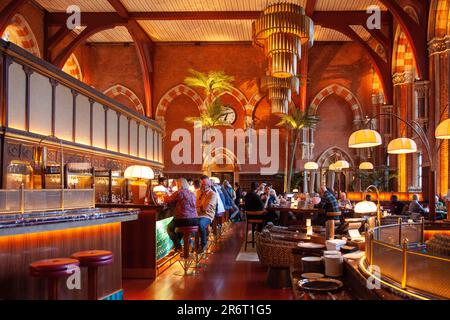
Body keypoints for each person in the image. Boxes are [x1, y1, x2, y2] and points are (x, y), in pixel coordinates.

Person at [164, 178, 198, 252]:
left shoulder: (178, 192)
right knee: (181, 230)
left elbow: (168, 200)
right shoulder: (192, 193)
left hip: (184, 219)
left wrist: (164, 195)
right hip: (195, 220)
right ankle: (185, 244)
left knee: (169, 228)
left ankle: (178, 246)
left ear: (179, 184)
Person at [196, 176, 218, 253]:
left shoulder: (213, 194)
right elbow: (194, 204)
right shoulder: (198, 192)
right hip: (196, 215)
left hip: (207, 216)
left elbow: (205, 209)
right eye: (201, 184)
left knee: (200, 223)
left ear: (209, 185)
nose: (202, 186)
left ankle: (203, 244)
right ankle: (190, 243)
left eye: (204, 184)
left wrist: (197, 208)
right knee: (184, 223)